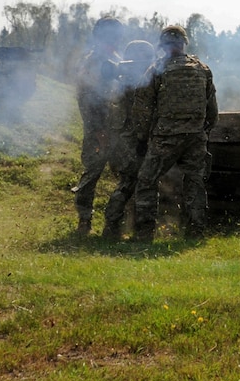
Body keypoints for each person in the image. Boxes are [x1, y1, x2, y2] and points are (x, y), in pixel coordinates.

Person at [132, 24, 218, 242]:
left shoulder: (156, 70)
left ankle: (143, 235)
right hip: (195, 137)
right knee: (194, 182)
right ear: (183, 43)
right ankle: (195, 233)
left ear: (163, 46)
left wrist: (142, 138)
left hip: (165, 138)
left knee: (146, 181)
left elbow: (142, 108)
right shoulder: (202, 69)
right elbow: (212, 111)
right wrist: (201, 130)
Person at [71, 16, 124, 237]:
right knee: (92, 175)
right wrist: (99, 131)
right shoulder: (92, 62)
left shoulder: (116, 59)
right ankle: (85, 222)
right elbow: (87, 100)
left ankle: (116, 225)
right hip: (98, 130)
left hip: (118, 130)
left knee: (125, 176)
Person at [101, 40, 157, 240]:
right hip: (134, 138)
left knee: (129, 182)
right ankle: (115, 227)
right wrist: (143, 139)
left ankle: (115, 226)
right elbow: (142, 113)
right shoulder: (136, 81)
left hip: (124, 138)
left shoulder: (123, 78)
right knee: (131, 182)